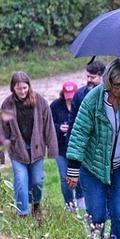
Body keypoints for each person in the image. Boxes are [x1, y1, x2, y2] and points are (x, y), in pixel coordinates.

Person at [66, 58, 120, 239]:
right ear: (108, 82)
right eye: (117, 85)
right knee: (97, 215)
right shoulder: (93, 100)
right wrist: (73, 170)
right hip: (94, 167)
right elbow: (79, 133)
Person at [0, 71, 58, 218]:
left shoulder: (40, 102)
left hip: (37, 149)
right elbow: (1, 130)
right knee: (21, 182)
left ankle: (36, 206)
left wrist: (53, 150)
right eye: (19, 88)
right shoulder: (8, 104)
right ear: (13, 88)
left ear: (29, 86)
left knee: (37, 181)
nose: (22, 91)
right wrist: (0, 157)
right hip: (18, 150)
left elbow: (49, 126)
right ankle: (22, 213)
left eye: (25, 88)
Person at [49, 80, 85, 211]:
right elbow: (48, 125)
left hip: (77, 147)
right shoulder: (55, 106)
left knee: (79, 175)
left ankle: (81, 201)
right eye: (67, 95)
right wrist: (59, 127)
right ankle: (69, 204)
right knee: (65, 177)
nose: (69, 98)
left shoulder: (81, 103)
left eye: (72, 95)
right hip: (60, 148)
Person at [69, 60, 106, 133]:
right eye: (88, 76)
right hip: (82, 134)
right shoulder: (79, 94)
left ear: (101, 77)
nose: (89, 80)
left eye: (93, 77)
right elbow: (72, 120)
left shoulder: (108, 94)